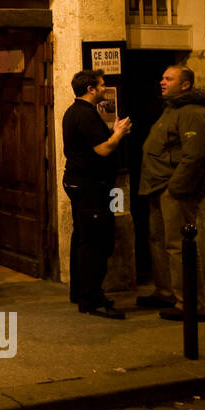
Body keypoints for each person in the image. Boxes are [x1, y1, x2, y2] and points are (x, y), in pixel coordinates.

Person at [137, 65, 205, 321]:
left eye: (168, 78)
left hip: (174, 189)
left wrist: (177, 189)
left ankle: (190, 304)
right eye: (162, 77)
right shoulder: (171, 109)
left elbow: (196, 155)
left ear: (185, 85)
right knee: (159, 242)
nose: (162, 81)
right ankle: (166, 292)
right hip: (158, 186)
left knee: (180, 247)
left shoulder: (192, 112)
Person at [62, 70, 131, 319]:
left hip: (79, 183)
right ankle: (92, 299)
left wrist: (111, 131)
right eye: (101, 85)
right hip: (90, 186)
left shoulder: (75, 111)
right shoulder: (85, 114)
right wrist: (119, 133)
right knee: (95, 242)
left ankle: (80, 292)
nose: (104, 88)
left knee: (82, 237)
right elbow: (103, 149)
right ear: (90, 89)